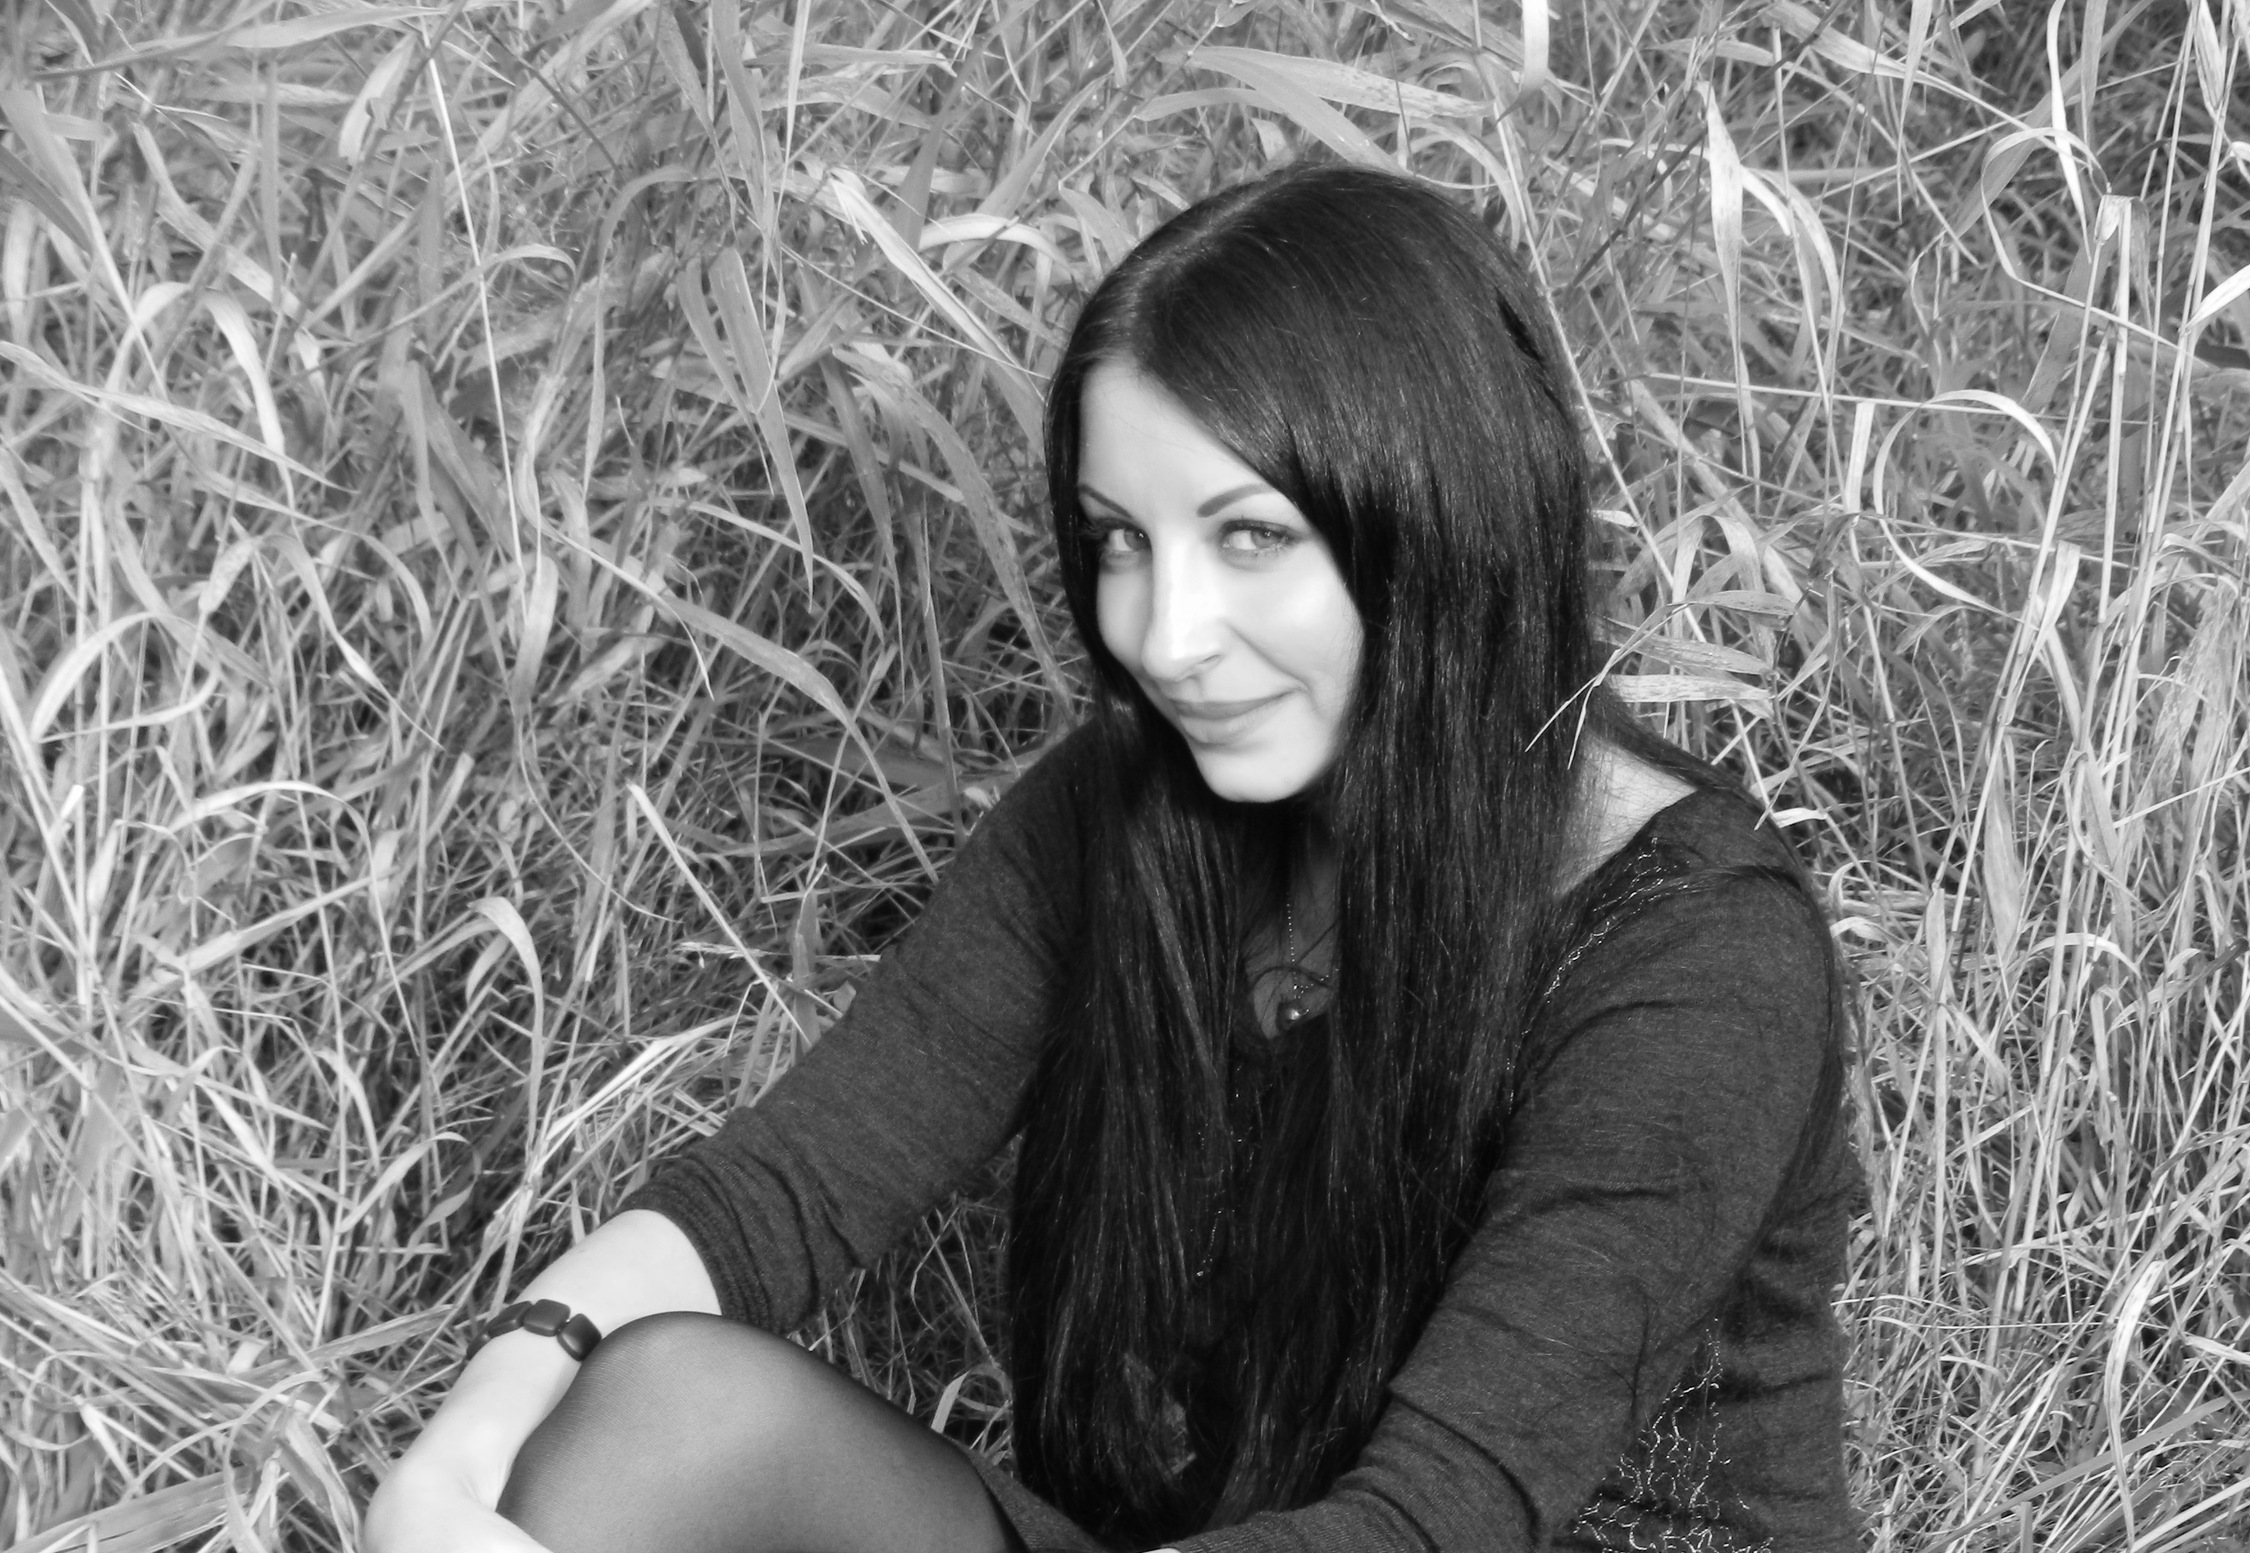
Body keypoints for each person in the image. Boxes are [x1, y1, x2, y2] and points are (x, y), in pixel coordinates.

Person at [361, 162, 1862, 1553]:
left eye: (1250, 536)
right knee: (670, 1410)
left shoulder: (1695, 954)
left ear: (1440, 524)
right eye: (1121, 541)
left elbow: (1436, 1520)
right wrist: (472, 1433)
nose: (1166, 637)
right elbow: (782, 1191)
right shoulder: (1133, 814)